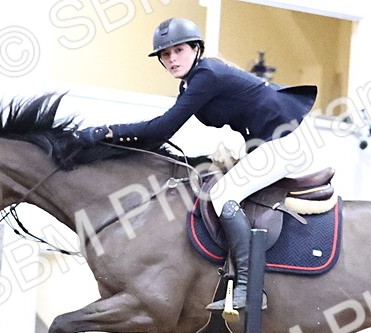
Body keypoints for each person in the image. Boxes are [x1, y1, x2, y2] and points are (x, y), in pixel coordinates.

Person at [79, 18, 317, 312]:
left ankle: (248, 287)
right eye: (165, 55)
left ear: (195, 48)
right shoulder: (196, 80)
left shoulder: (206, 76)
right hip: (268, 140)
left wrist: (109, 131)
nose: (171, 59)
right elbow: (156, 137)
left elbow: (162, 128)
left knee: (222, 194)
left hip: (287, 138)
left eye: (178, 50)